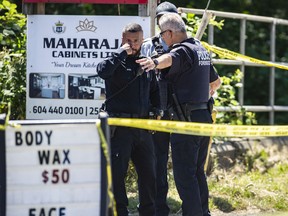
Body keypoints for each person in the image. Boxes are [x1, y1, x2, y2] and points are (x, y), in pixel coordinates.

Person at [136, 13, 222, 216]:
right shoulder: (200, 49)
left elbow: (169, 58)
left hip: (186, 121)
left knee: (184, 176)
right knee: (196, 172)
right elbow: (216, 82)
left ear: (169, 33)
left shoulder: (182, 50)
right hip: (203, 117)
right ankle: (203, 213)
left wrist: (154, 62)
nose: (161, 38)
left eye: (162, 34)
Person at [97, 23, 161, 216]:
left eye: (136, 41)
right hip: (119, 129)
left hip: (142, 128)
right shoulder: (115, 61)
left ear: (142, 41)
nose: (132, 44)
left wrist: (158, 108)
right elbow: (102, 71)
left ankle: (148, 213)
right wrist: (121, 53)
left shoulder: (146, 63)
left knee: (150, 175)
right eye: (128, 40)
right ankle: (119, 212)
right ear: (122, 39)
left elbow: (155, 91)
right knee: (117, 176)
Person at [140, 2, 178, 216]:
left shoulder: (189, 45)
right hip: (158, 112)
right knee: (158, 163)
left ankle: (195, 207)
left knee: (186, 165)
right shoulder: (147, 45)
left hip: (183, 113)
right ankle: (158, 208)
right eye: (161, 18)